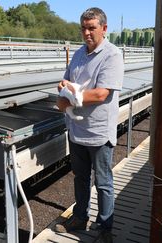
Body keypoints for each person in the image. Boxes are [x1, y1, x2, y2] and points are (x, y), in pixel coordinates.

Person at [54, 7, 124, 243]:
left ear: (104, 28)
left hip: (98, 131)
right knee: (80, 177)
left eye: (91, 28)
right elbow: (65, 83)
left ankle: (105, 227)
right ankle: (80, 217)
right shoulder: (78, 54)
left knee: (103, 182)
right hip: (76, 131)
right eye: (83, 28)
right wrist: (63, 89)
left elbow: (103, 94)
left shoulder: (112, 55)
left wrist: (71, 99)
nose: (86, 33)